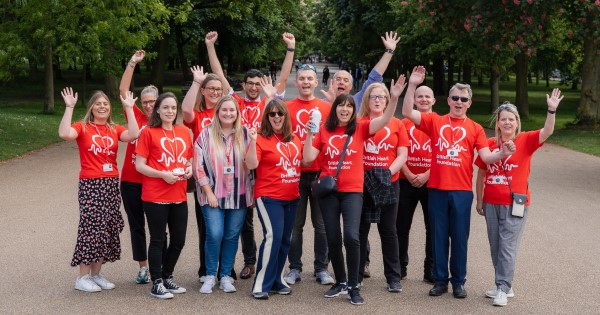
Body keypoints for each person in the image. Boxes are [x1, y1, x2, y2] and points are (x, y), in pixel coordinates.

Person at [401, 66, 516, 299]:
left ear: (469, 103)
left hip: (461, 191)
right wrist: (412, 85)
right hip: (437, 189)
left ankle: (459, 282)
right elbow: (407, 112)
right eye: (455, 98)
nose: (459, 102)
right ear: (449, 100)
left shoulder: (475, 128)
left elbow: (485, 157)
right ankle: (440, 280)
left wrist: (502, 153)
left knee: (460, 238)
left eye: (463, 99)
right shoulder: (435, 120)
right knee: (439, 236)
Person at [302, 76, 406, 305]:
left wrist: (395, 97)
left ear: (353, 110)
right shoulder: (323, 130)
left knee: (351, 236)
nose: (345, 109)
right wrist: (310, 133)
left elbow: (386, 119)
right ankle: (340, 281)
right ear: (335, 109)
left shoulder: (360, 128)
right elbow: (308, 159)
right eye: (341, 105)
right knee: (332, 237)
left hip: (352, 192)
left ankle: (353, 285)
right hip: (329, 191)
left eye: (350, 106)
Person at [206, 31, 296, 280]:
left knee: (270, 216)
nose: (255, 87)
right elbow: (221, 77)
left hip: (265, 166)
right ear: (244, 85)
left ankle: (276, 262)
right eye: (251, 83)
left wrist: (290, 49)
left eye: (258, 83)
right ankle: (249, 261)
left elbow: (285, 77)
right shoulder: (236, 102)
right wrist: (211, 47)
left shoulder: (270, 103)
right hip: (239, 166)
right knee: (243, 219)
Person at [475, 89, 563, 307]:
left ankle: (503, 288)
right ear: (497, 123)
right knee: (496, 246)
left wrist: (551, 110)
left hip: (516, 203)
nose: (507, 123)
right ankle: (504, 285)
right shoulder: (488, 143)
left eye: (511, 119)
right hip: (491, 202)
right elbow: (482, 172)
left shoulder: (526, 140)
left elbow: (547, 131)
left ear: (517, 122)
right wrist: (479, 200)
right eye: (503, 119)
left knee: (507, 246)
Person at [59, 87, 139, 292]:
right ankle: (82, 277)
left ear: (110, 108)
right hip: (91, 184)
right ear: (91, 108)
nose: (102, 106)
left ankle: (95, 274)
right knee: (91, 229)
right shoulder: (83, 127)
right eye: (98, 103)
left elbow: (134, 134)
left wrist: (129, 108)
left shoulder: (114, 128)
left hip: (111, 182)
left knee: (107, 228)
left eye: (105, 104)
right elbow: (64, 134)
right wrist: (69, 107)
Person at [135, 92, 193, 299]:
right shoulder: (149, 132)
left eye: (173, 107)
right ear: (157, 110)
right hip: (155, 195)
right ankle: (156, 282)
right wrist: (162, 174)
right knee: (158, 239)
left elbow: (188, 160)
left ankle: (168, 276)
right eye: (166, 107)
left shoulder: (184, 132)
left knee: (179, 240)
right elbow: (139, 165)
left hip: (178, 194)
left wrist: (189, 169)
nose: (170, 111)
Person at [194, 95, 253, 294]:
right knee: (215, 233)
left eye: (232, 110)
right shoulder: (205, 134)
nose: (228, 113)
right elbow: (198, 167)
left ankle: (225, 275)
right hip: (212, 196)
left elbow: (254, 165)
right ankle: (210, 275)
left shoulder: (246, 135)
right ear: (217, 112)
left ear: (237, 113)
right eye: (224, 110)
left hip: (239, 195)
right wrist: (208, 191)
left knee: (231, 236)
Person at [245, 97, 303, 299]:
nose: (276, 117)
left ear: (286, 116)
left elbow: (304, 161)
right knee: (273, 236)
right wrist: (252, 142)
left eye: (280, 113)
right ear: (267, 117)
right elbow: (251, 164)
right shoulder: (260, 138)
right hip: (269, 196)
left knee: (285, 240)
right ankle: (261, 283)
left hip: (292, 196)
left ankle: (277, 280)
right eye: (272, 113)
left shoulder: (294, 139)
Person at [284, 63, 334, 286]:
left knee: (321, 225)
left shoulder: (327, 108)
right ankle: (294, 267)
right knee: (295, 225)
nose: (305, 82)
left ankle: (321, 268)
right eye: (302, 78)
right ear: (296, 81)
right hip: (293, 173)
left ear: (316, 82)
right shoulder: (286, 107)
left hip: (319, 173)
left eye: (309, 79)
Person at [356, 81, 408, 292]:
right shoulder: (359, 122)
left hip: (389, 182)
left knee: (388, 231)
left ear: (387, 100)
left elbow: (402, 153)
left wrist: (388, 173)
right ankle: (357, 274)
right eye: (372, 97)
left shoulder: (397, 124)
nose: (377, 100)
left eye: (381, 97)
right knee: (360, 231)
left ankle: (393, 278)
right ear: (367, 101)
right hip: (363, 183)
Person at [181, 65, 228, 283]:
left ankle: (225, 269)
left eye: (218, 89)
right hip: (204, 178)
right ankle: (205, 268)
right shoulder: (199, 115)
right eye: (211, 88)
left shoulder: (228, 114)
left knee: (227, 226)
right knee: (208, 226)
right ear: (204, 91)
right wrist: (197, 82)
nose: (215, 92)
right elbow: (186, 111)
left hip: (227, 178)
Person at [118, 50, 159, 285]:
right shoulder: (137, 117)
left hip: (154, 181)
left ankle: (158, 266)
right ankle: (143, 267)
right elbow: (123, 92)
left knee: (157, 226)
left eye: (153, 101)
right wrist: (132, 62)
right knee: (136, 226)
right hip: (132, 180)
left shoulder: (165, 121)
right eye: (145, 102)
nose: (149, 105)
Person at [398, 85, 436, 283]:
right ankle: (400, 267)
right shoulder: (404, 123)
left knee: (433, 228)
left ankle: (429, 270)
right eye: (419, 96)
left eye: (427, 96)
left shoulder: (438, 123)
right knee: (401, 226)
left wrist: (425, 175)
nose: (423, 99)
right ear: (413, 100)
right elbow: (399, 152)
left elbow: (442, 155)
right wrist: (409, 173)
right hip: (406, 180)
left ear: (433, 100)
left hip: (431, 182)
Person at [321, 31, 400, 113]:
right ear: (332, 83)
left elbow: (374, 77)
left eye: (346, 80)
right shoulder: (320, 103)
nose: (341, 82)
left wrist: (389, 51)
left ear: (351, 86)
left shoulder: (357, 101)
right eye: (338, 79)